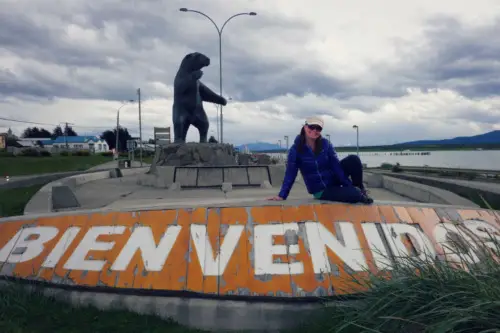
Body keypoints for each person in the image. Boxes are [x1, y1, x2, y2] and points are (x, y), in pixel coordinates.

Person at [268, 116, 373, 204]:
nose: (314, 130)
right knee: (354, 195)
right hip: (320, 190)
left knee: (353, 159)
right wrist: (282, 195)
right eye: (312, 127)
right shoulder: (295, 150)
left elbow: (336, 166)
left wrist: (348, 185)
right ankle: (357, 194)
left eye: (318, 128)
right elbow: (290, 174)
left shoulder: (325, 144)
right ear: (305, 127)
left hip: (332, 180)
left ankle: (360, 190)